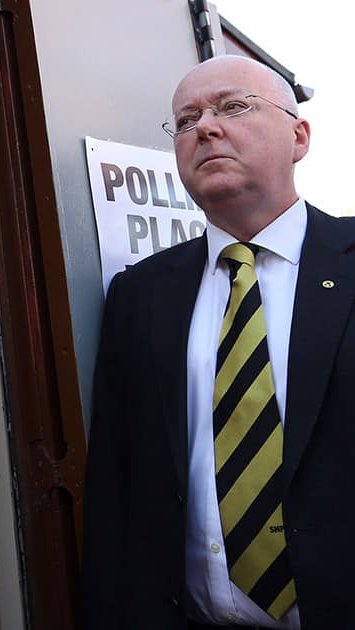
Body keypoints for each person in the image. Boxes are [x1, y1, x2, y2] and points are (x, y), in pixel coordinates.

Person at [82, 54, 355, 630]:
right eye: (186, 120)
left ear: (299, 136)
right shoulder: (139, 295)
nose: (205, 127)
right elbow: (115, 484)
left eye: (234, 106)